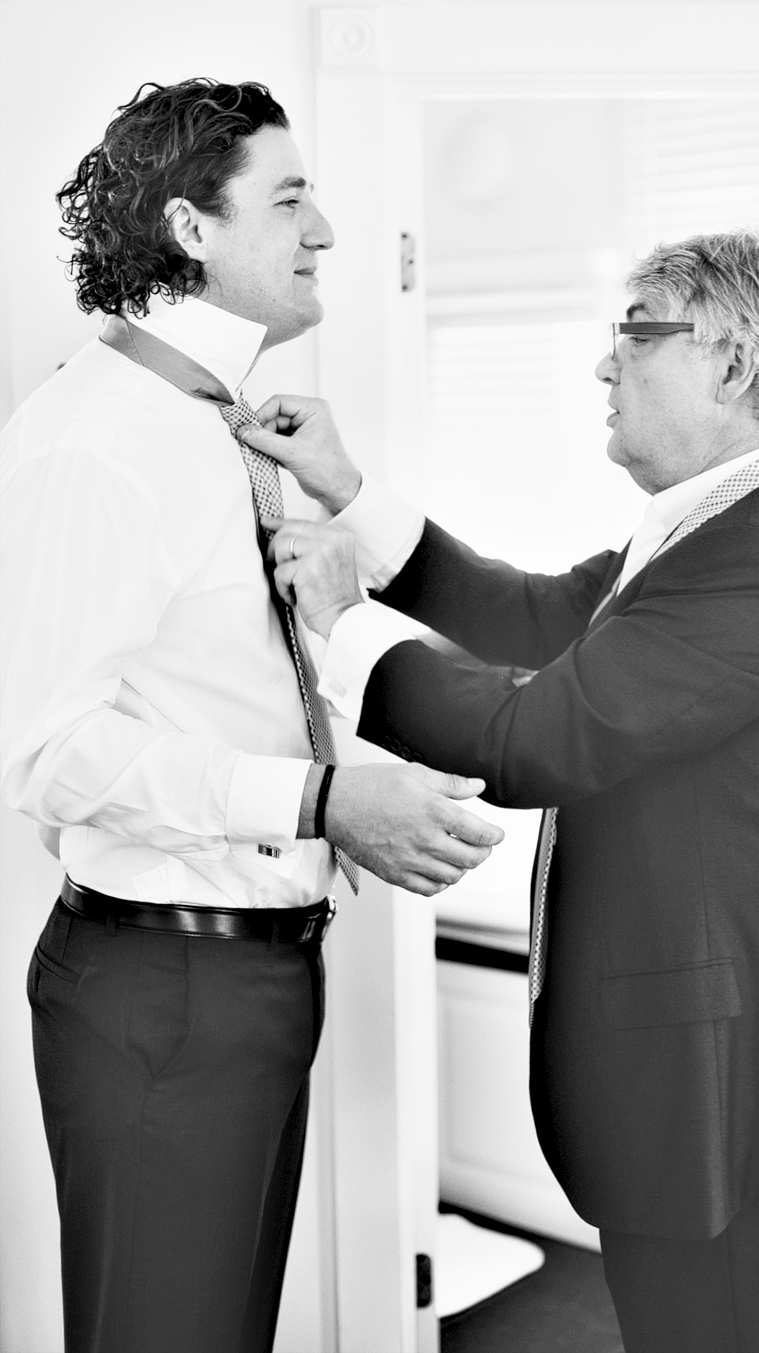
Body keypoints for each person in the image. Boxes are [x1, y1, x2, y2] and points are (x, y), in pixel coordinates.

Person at [241, 229, 759, 1353]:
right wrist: (351, 497)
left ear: (730, 363)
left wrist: (342, 625)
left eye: (630, 334)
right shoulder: (744, 519)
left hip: (743, 1097)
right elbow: (546, 622)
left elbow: (534, 736)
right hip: (740, 1076)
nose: (603, 366)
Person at [0, 79, 503, 1353]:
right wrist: (327, 802)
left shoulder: (210, 426)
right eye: (289, 199)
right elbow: (51, 754)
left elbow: (214, 678)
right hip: (164, 986)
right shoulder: (96, 442)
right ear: (188, 229)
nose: (325, 230)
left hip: (255, 973)